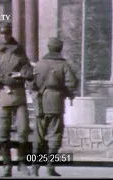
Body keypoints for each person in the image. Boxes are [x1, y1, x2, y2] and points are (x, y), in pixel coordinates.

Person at [0, 21, 34, 177]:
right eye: (2, 33)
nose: (5, 36)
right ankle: (6, 165)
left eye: (8, 33)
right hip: (3, 93)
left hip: (18, 94)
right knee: (3, 132)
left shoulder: (19, 50)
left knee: (23, 130)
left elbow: (28, 68)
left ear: (11, 33)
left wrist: (24, 74)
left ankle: (22, 163)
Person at [30, 37, 78, 177]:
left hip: (39, 102)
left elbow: (31, 84)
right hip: (56, 102)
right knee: (55, 134)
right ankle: (50, 167)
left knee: (38, 136)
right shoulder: (63, 65)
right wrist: (66, 91)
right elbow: (72, 83)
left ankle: (34, 168)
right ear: (60, 49)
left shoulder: (39, 64)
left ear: (48, 47)